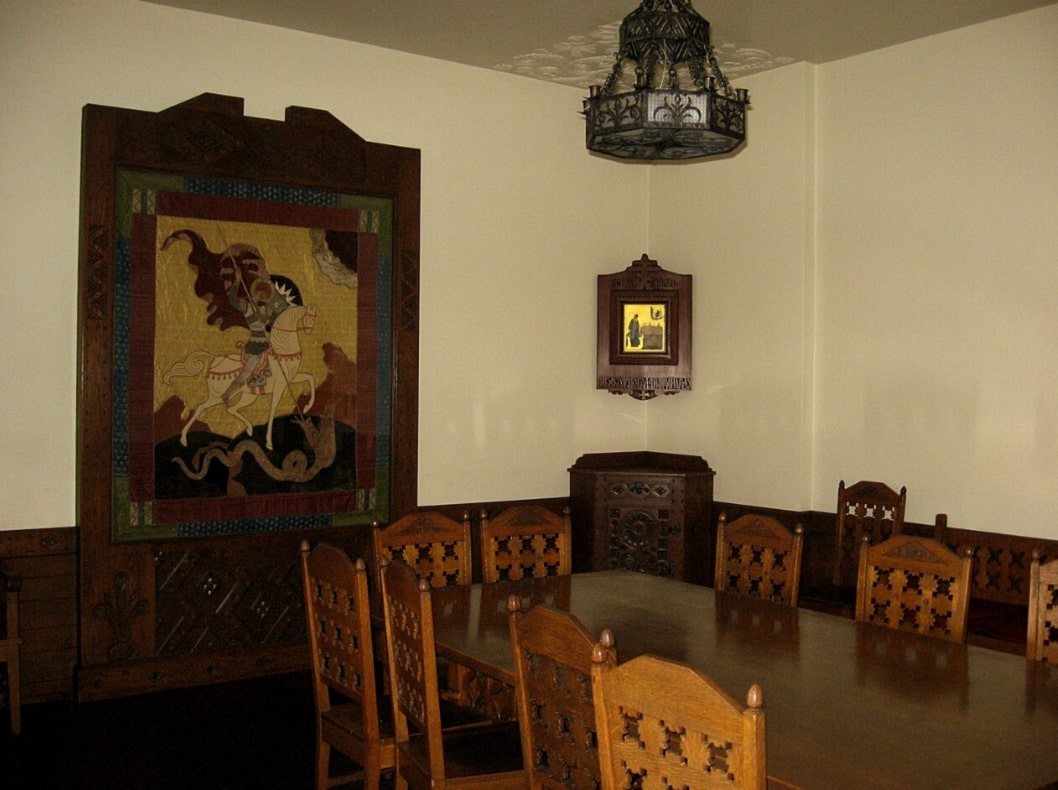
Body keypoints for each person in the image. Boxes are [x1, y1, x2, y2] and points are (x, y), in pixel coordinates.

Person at [220, 277, 288, 404]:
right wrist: (237, 281)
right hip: (256, 344)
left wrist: (268, 320)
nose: (262, 296)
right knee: (247, 372)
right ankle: (227, 394)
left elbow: (278, 314)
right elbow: (232, 300)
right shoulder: (246, 306)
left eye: (265, 295)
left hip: (266, 343)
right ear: (256, 292)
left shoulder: (266, 309)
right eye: (261, 293)